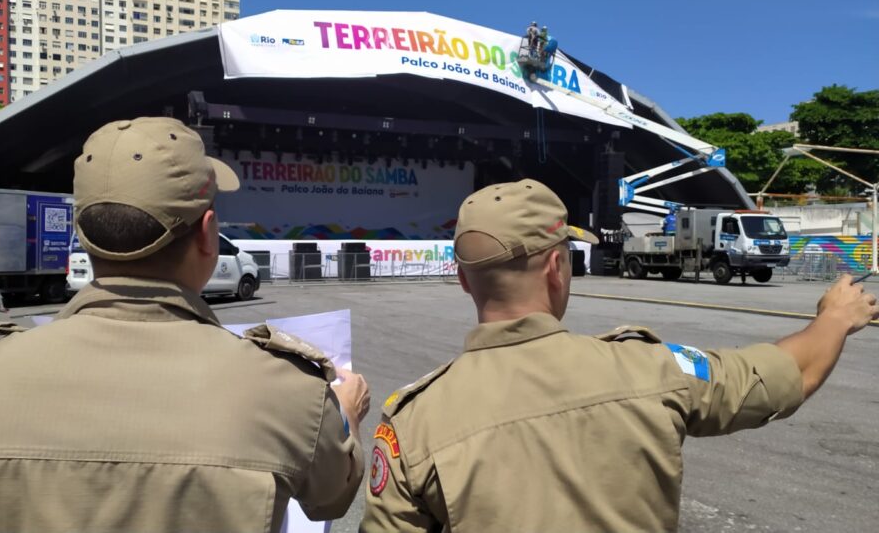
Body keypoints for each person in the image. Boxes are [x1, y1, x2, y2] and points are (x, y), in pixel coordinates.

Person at [0, 117, 369, 533]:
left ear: (81, 232)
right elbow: (331, 497)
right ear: (207, 235)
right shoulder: (291, 394)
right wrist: (342, 414)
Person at [360, 179, 877, 532]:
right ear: (557, 269)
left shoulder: (412, 424)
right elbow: (787, 377)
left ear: (462, 278)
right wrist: (835, 317)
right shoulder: (651, 368)